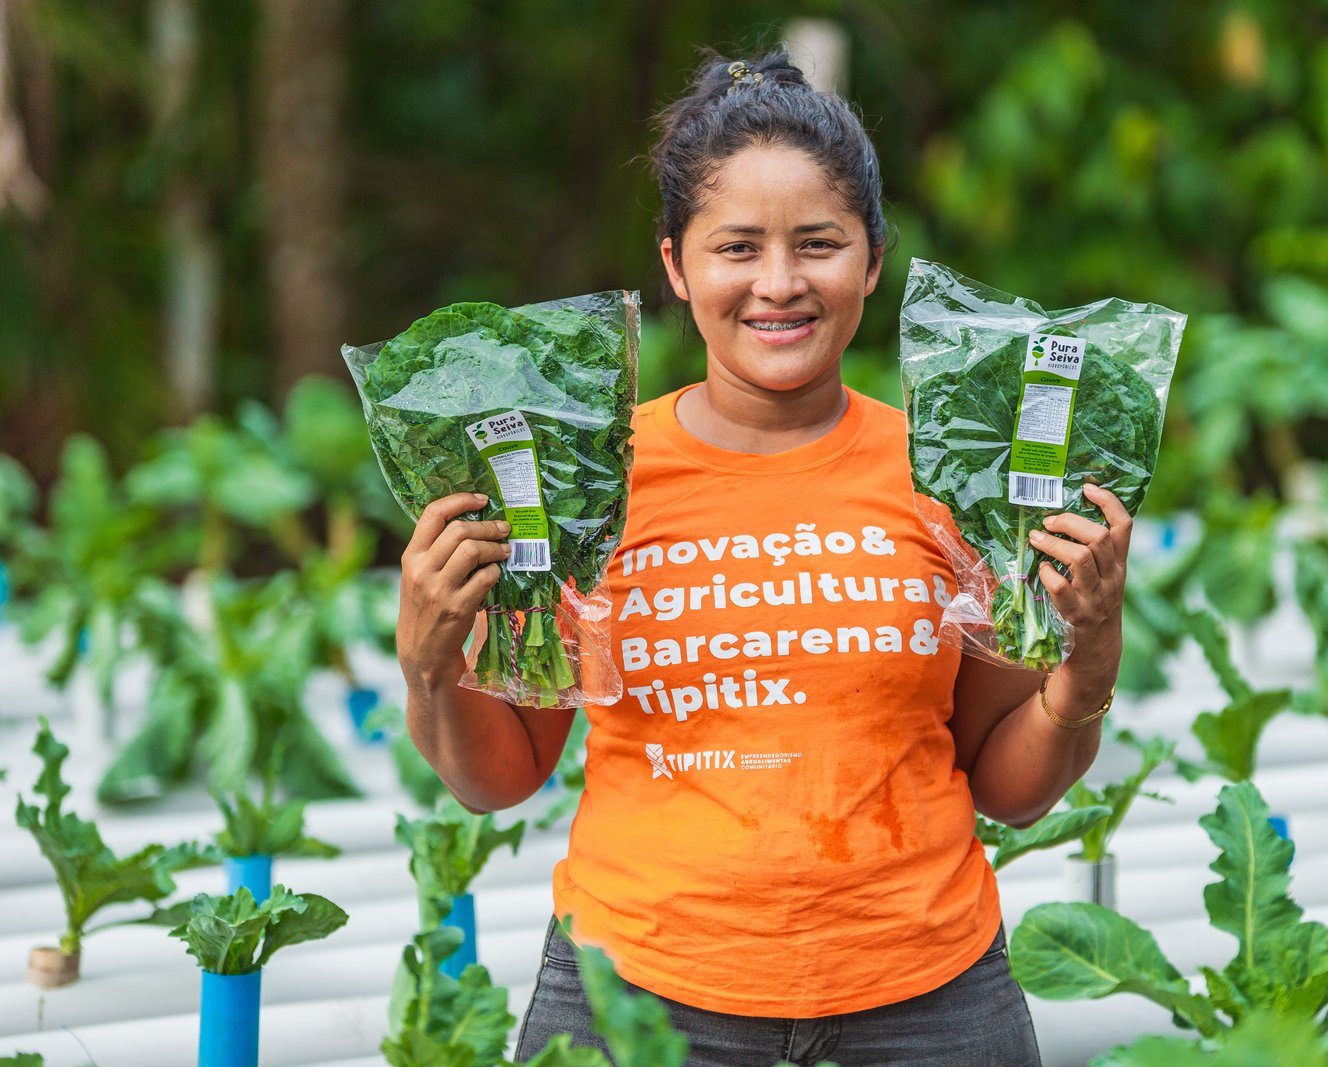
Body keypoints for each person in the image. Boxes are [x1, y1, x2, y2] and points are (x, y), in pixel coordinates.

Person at [396, 48, 1129, 1067]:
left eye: (818, 243)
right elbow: (502, 775)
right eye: (736, 247)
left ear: (872, 259)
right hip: (639, 1004)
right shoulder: (587, 482)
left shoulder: (951, 475)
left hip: (928, 1005)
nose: (778, 284)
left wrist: (1087, 660)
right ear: (675, 265)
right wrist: (430, 663)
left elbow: (1007, 784)